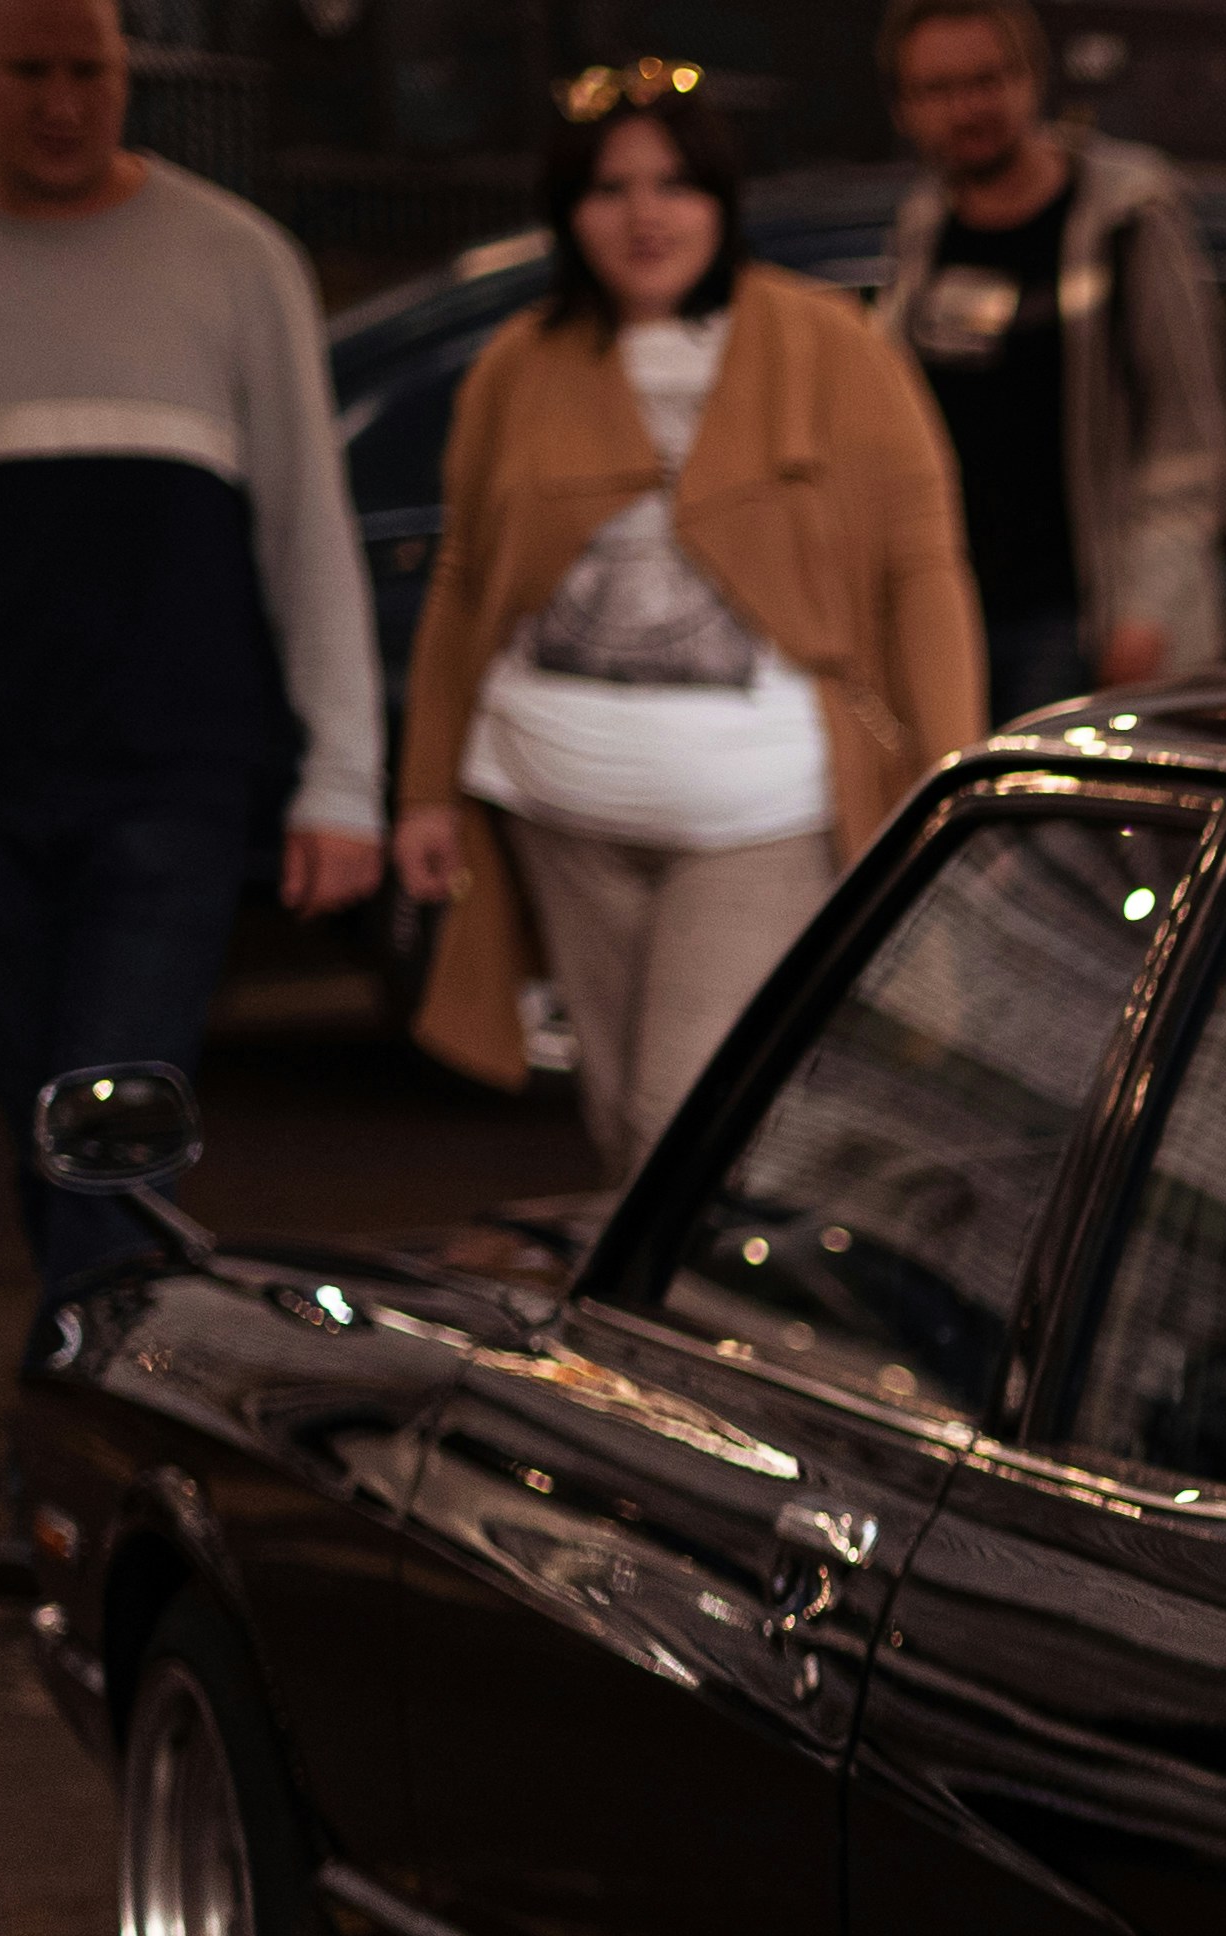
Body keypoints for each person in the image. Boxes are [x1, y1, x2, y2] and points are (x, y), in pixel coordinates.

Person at [0, 0, 382, 1296]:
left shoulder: (236, 260)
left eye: (91, 71)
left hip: (174, 776)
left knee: (110, 1117)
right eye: (31, 71)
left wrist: (342, 781)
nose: (62, 102)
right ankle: (99, 1385)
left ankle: (80, 1433)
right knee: (47, 1122)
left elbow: (307, 533)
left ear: (132, 76)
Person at [389, 67, 977, 1179]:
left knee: (682, 1113)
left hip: (763, 811)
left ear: (722, 200)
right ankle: (668, 1345)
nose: (645, 214)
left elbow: (923, 572)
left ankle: (726, 1338)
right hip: (557, 805)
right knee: (617, 1116)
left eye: (676, 184)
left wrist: (945, 788)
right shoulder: (520, 361)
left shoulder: (831, 346)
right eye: (611, 188)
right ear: (569, 210)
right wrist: (426, 790)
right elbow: (465, 581)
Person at [877, 0, 1226, 711]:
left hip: (1077, 614)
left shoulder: (1123, 217)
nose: (966, 107)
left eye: (986, 80)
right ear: (904, 107)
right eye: (937, 90)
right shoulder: (923, 225)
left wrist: (1147, 606)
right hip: (948, 601)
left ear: (1031, 78)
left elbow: (1188, 439)